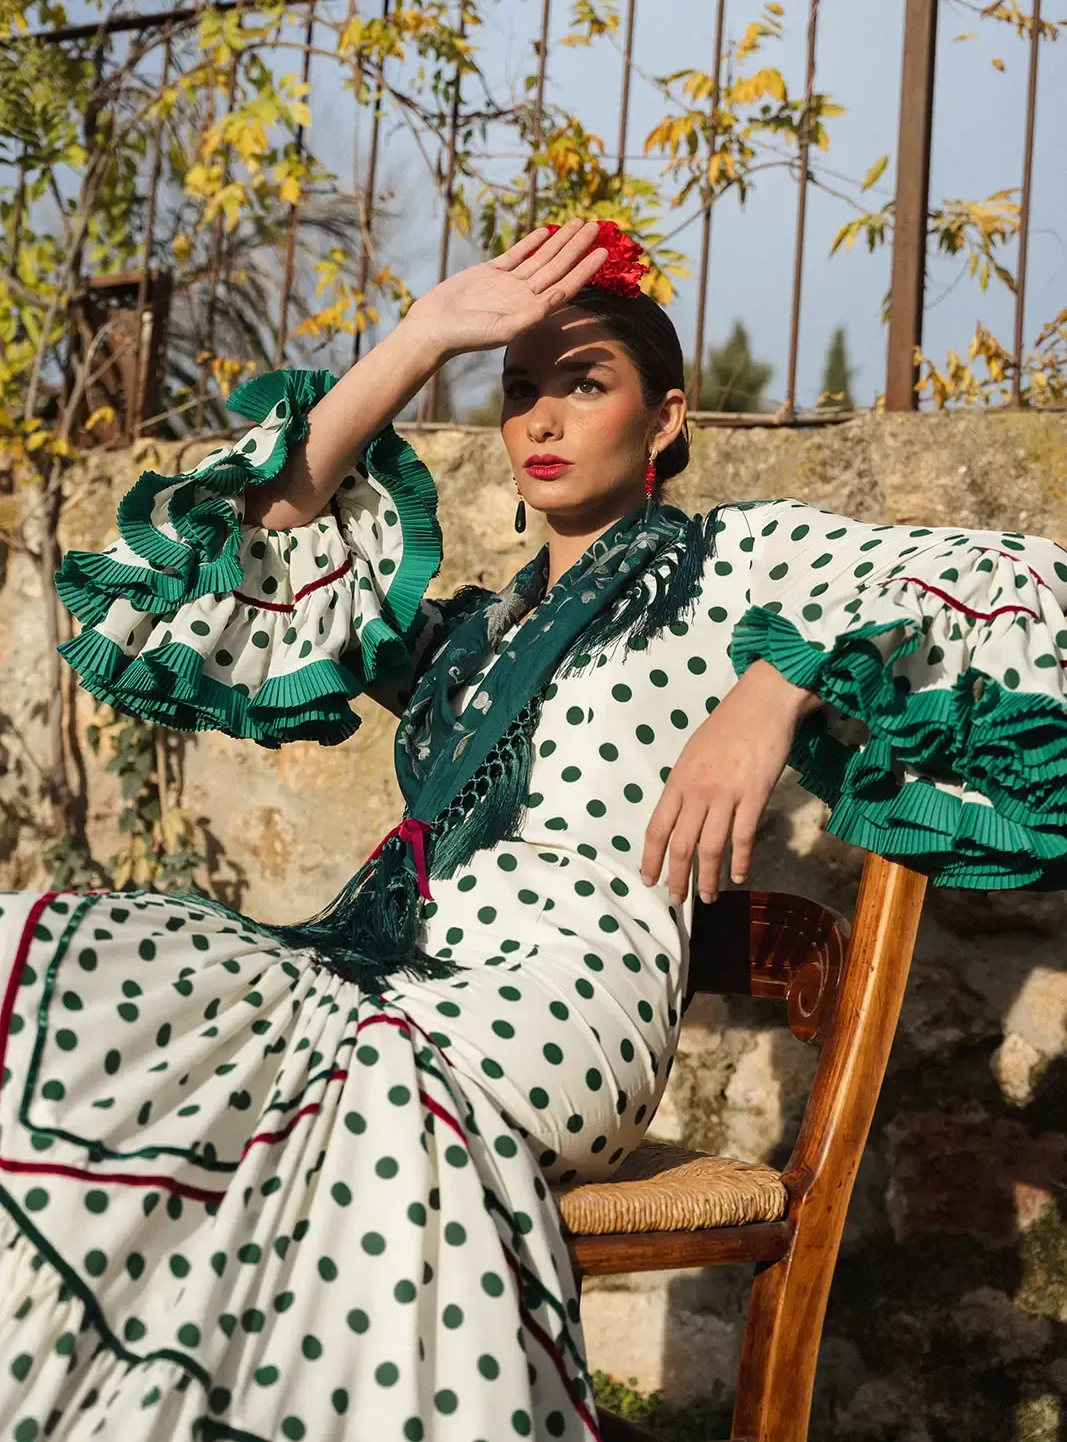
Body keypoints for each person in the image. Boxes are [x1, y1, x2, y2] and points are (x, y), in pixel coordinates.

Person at [1, 218, 1065, 1441]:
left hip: (561, 1002)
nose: (542, 420)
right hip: (387, 973)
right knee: (69, 959)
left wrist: (770, 691)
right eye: (517, 391)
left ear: (664, 418)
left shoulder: (735, 567)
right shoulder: (464, 639)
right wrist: (421, 337)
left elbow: (1021, 577)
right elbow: (223, 552)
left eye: (583, 383)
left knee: (350, 1090)